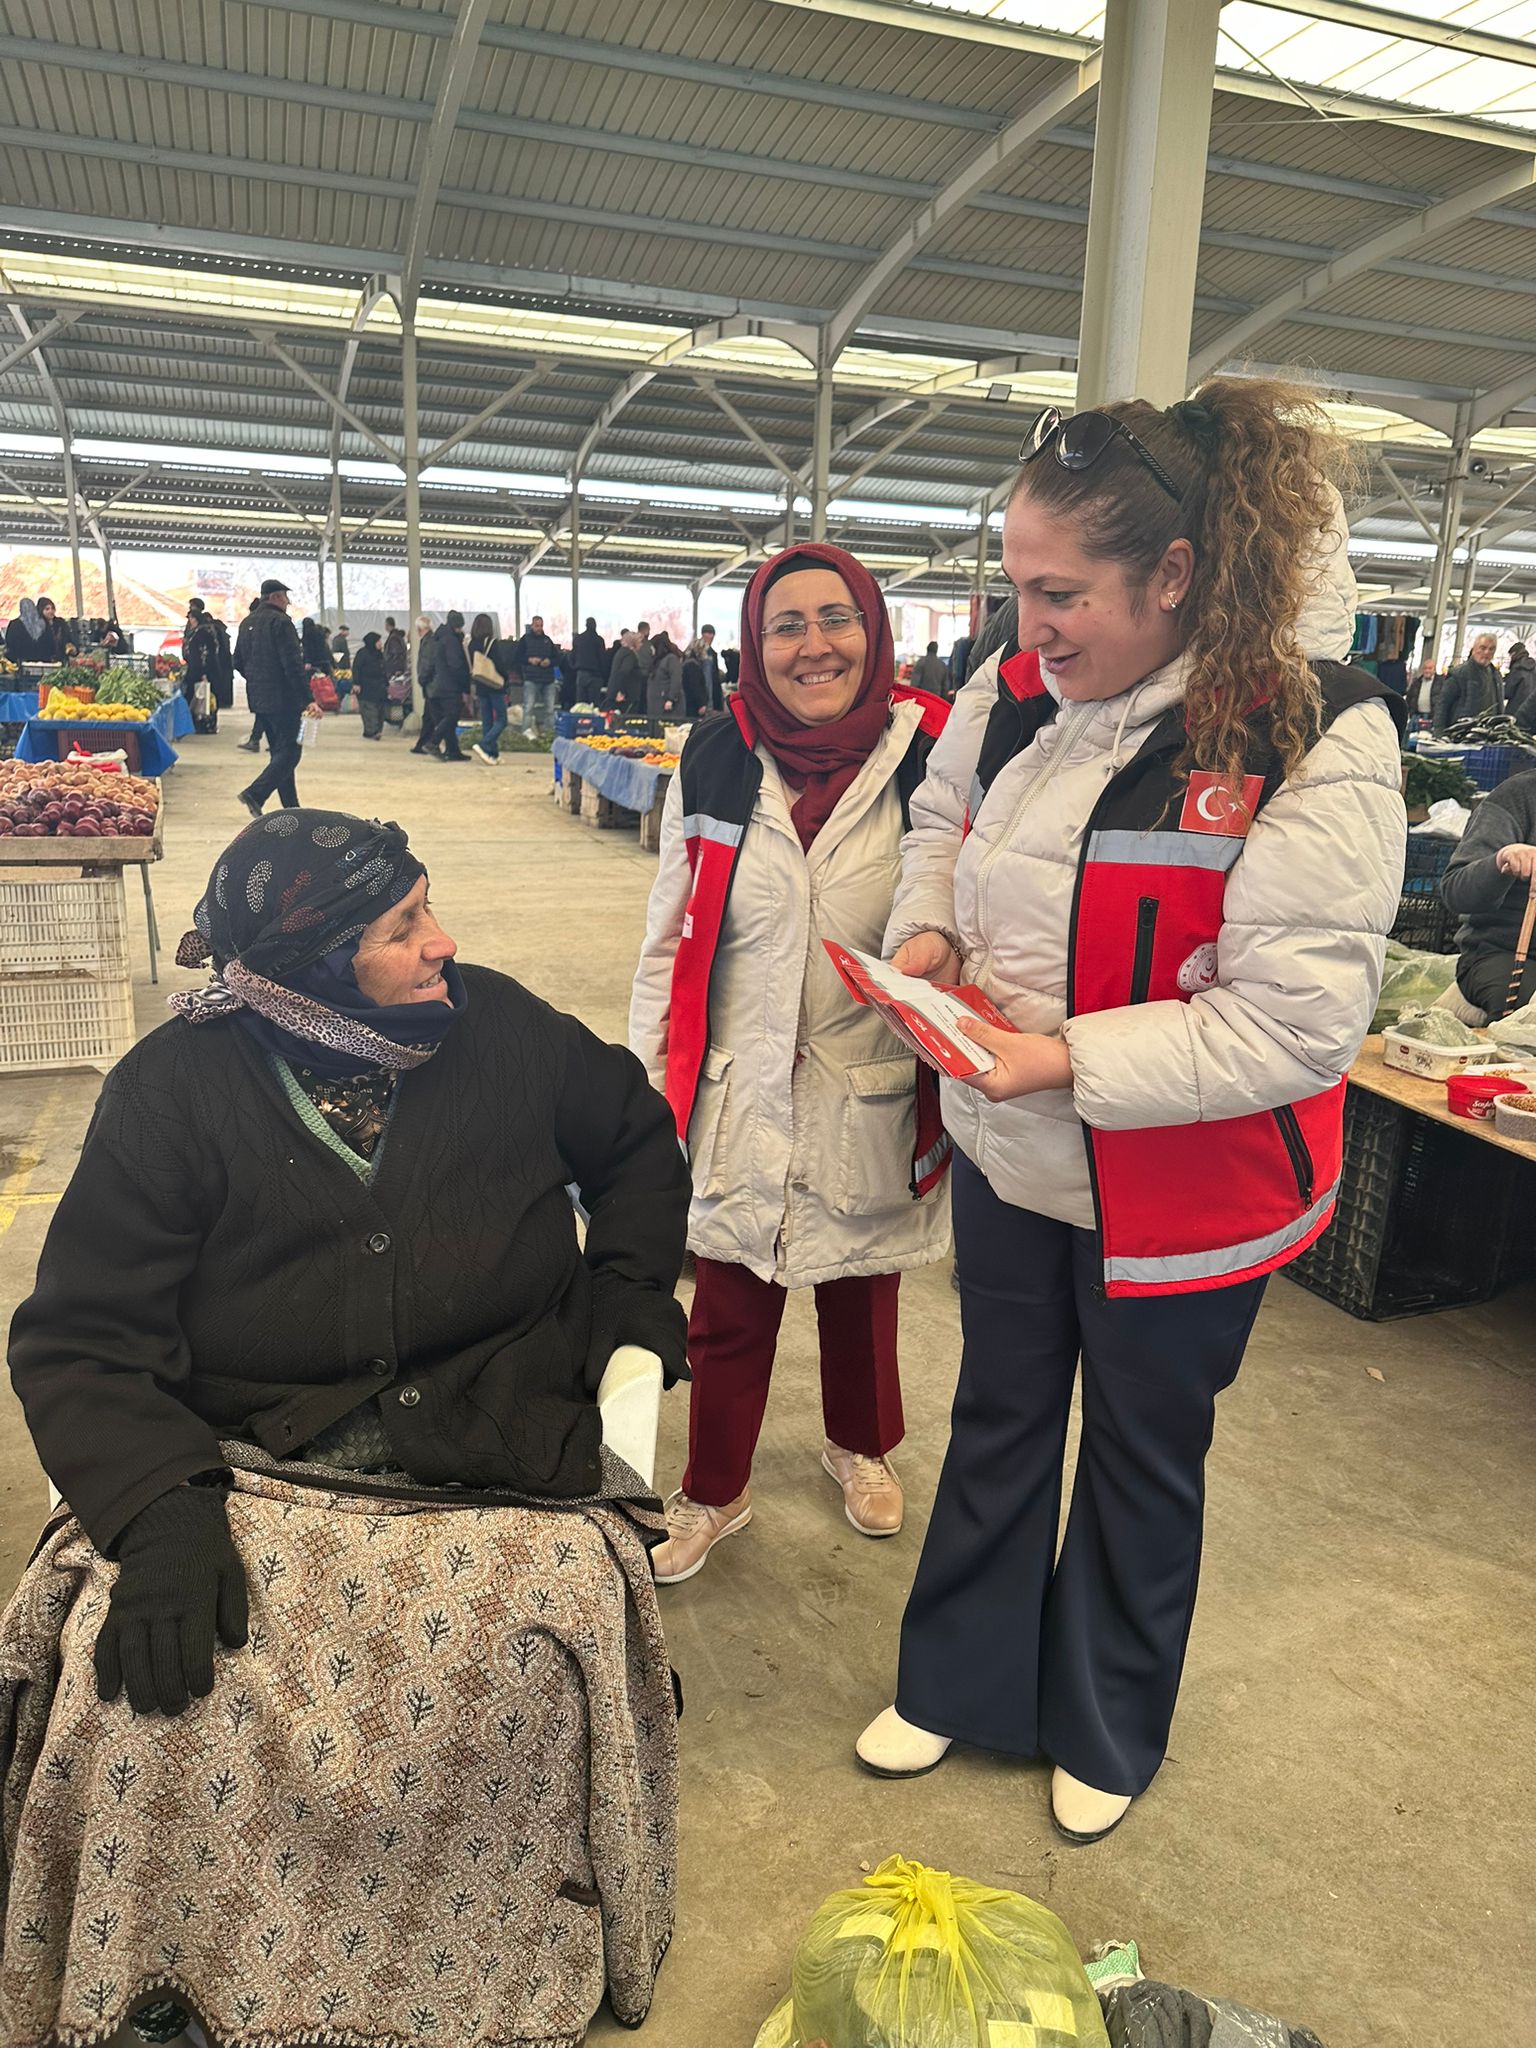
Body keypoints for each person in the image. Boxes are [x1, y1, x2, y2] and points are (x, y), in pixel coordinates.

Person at [5, 811, 689, 2048]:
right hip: (247, 1458)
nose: (444, 942)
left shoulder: (503, 1028)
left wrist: (632, 1297)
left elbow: (638, 1140)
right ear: (313, 960)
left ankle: (468, 1973)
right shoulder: (172, 1089)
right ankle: (192, 1970)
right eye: (402, 926)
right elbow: (82, 1337)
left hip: (494, 1436)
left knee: (523, 1639)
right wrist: (160, 1509)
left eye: (429, 907)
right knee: (146, 1678)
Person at [852, 381, 1406, 1845]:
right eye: (1017, 588)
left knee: (1143, 1450)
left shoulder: (1314, 733)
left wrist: (1060, 1061)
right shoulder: (1014, 688)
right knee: (1001, 1409)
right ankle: (963, 1679)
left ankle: (1107, 1715)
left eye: (1062, 595)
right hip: (1011, 1152)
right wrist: (927, 938)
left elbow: (1296, 1022)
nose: (1029, 626)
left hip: (1186, 1188)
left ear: (1174, 575)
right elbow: (941, 820)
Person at [630, 541, 954, 1585]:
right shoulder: (715, 757)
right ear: (754, 646)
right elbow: (669, 934)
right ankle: (714, 1489)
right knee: (729, 1300)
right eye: (786, 626)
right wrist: (645, 1086)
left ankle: (860, 1444)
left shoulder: (931, 754)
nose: (814, 646)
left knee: (861, 1287)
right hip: (741, 1080)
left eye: (835, 618)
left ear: (874, 629)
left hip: (868, 1078)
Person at [1441, 769, 1536, 1018]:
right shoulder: (1518, 796)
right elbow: (1455, 891)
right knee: (1526, 1010)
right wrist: (1502, 860)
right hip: (1502, 953)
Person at [236, 579, 310, 816]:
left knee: (280, 753)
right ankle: (255, 793)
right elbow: (293, 665)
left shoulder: (247, 623)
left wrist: (256, 679)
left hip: (259, 699)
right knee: (291, 752)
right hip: (284, 699)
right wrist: (308, 698)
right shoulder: (281, 622)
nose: (288, 602)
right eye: (286, 597)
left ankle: (291, 807)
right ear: (276, 597)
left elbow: (237, 661)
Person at [412, 608, 471, 761]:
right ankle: (433, 742)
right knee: (452, 716)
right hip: (449, 685)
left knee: (445, 719)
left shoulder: (440, 637)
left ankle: (453, 750)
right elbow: (455, 665)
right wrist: (466, 683)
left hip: (437, 686)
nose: (461, 629)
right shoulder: (450, 640)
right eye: (459, 626)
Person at [182, 600, 234, 734]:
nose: (190, 621)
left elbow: (204, 654)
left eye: (191, 618)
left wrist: (203, 673)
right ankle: (205, 724)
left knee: (202, 698)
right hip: (203, 671)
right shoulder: (204, 631)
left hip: (202, 672)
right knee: (204, 698)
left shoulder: (202, 633)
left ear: (196, 619)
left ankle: (205, 724)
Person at [1434, 631, 1501, 734]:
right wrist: (1439, 732)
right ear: (1474, 649)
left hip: (1488, 734)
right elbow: (1443, 705)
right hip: (1461, 734)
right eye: (1483, 648)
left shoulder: (1496, 675)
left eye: (1491, 649)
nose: (1487, 652)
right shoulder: (1459, 674)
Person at [468, 610, 510, 765]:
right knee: (502, 719)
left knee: (487, 720)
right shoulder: (492, 643)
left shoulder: (471, 644)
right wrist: (505, 678)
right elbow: (499, 664)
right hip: (494, 685)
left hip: (481, 684)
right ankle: (484, 745)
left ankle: (492, 753)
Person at [512, 615, 560, 738]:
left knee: (549, 710)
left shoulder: (548, 640)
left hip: (548, 679)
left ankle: (549, 735)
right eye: (537, 626)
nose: (539, 628)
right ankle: (526, 734)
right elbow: (517, 657)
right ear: (532, 626)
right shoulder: (524, 640)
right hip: (531, 678)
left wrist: (549, 661)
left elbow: (557, 658)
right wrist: (529, 660)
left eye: (541, 626)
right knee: (528, 708)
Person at [351, 628, 387, 738]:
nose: (380, 643)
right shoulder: (362, 654)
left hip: (379, 686)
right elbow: (356, 668)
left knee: (380, 709)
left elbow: (383, 669)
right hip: (366, 686)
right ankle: (372, 731)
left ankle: (376, 730)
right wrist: (356, 683)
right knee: (369, 709)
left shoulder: (379, 654)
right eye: (378, 641)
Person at [381, 614, 411, 728]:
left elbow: (396, 655)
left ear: (388, 625)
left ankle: (396, 719)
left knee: (395, 698)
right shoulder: (398, 637)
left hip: (395, 671)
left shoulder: (393, 638)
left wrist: (395, 670)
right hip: (398, 671)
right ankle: (396, 719)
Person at [646, 629, 682, 719]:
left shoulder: (671, 659)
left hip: (666, 706)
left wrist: (671, 699)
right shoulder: (656, 662)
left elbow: (676, 679)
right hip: (656, 705)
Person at [686, 624, 723, 710]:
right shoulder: (704, 653)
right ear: (703, 634)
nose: (711, 636)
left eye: (712, 634)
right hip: (702, 699)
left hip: (697, 698)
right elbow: (708, 679)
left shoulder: (692, 651)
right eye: (709, 633)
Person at [607, 629, 642, 716]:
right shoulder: (630, 655)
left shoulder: (620, 652)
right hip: (626, 695)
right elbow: (624, 672)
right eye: (639, 642)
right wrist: (621, 691)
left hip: (616, 690)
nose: (641, 644)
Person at [572, 616, 608, 701]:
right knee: (594, 703)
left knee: (581, 703)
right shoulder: (599, 640)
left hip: (581, 674)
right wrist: (605, 676)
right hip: (596, 675)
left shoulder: (578, 639)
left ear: (586, 625)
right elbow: (603, 659)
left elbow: (572, 656)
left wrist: (575, 667)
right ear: (595, 626)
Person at [1503, 641, 1536, 730]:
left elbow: (1508, 692)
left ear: (1514, 654)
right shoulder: (1534, 667)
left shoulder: (1517, 667)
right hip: (1531, 711)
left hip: (1516, 710)